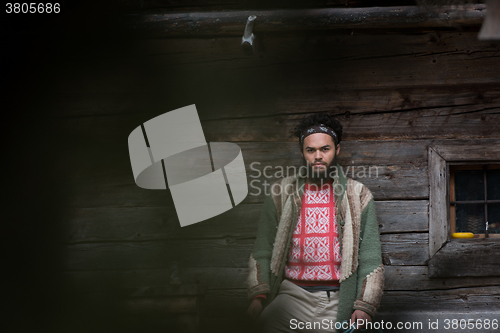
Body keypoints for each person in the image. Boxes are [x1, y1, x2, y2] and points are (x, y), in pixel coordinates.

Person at [246, 114, 384, 332]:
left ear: (337, 150)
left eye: (325, 149)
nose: (318, 156)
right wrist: (258, 295)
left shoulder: (358, 195)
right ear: (302, 152)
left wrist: (365, 306)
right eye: (311, 150)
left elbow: (370, 257)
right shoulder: (280, 193)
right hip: (291, 295)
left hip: (337, 300)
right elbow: (262, 248)